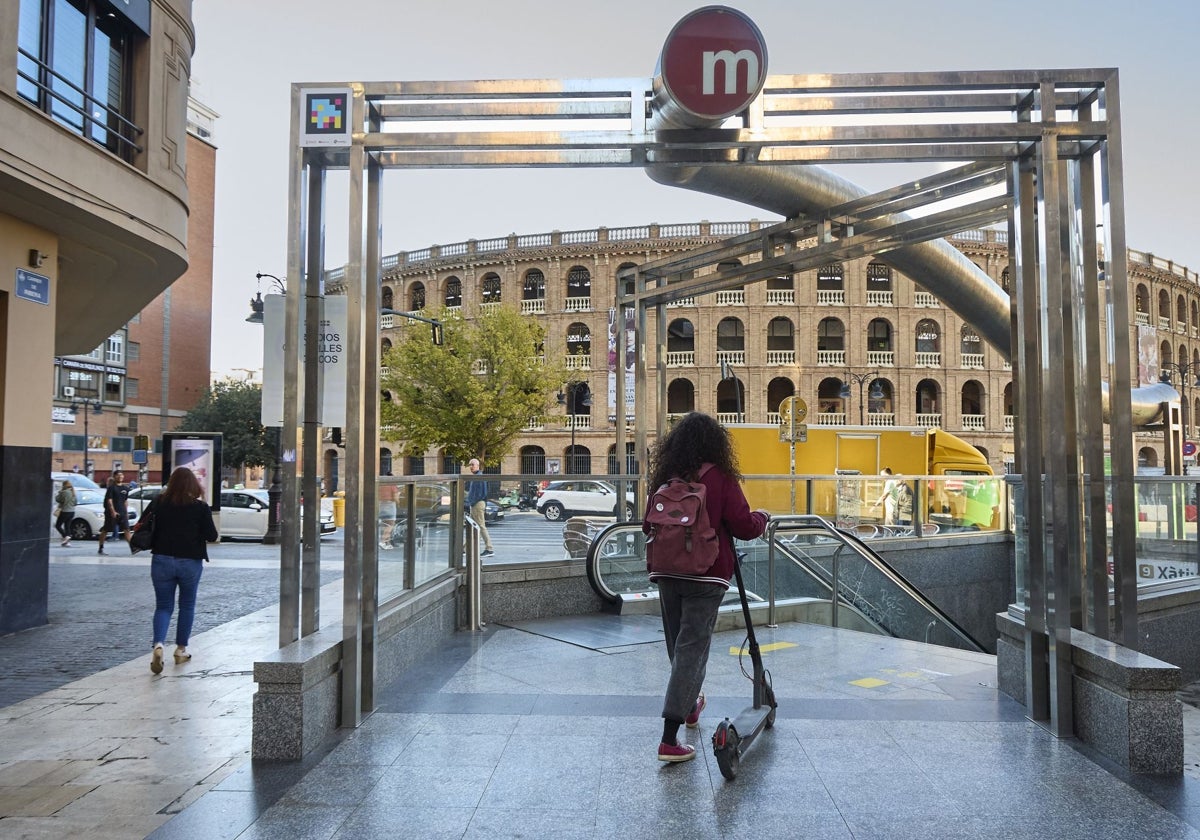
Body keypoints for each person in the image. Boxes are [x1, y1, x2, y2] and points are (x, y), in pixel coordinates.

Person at [642, 412, 768, 763]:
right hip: (707, 573)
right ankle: (669, 738)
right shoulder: (720, 476)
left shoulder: (667, 476)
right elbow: (744, 525)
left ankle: (692, 704)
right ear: (717, 442)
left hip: (666, 571)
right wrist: (764, 518)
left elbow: (645, 526)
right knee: (692, 649)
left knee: (678, 646)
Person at [144, 466, 218, 674]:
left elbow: (144, 525)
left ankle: (158, 644)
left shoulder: (159, 502)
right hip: (190, 562)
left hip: (162, 560)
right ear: (192, 485)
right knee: (187, 605)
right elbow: (212, 535)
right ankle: (180, 649)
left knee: (163, 606)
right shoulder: (200, 508)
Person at [465, 458, 495, 557]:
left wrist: (472, 501)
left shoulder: (479, 477)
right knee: (472, 527)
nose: (471, 467)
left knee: (481, 526)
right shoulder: (476, 477)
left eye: (472, 464)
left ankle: (489, 549)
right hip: (475, 504)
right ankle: (465, 549)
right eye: (470, 465)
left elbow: (481, 493)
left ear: (478, 465)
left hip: (477, 504)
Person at [101, 470, 131, 552]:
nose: (120, 476)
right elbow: (109, 500)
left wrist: (126, 512)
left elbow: (125, 501)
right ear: (114, 477)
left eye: (122, 475)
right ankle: (101, 547)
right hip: (112, 513)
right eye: (118, 475)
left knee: (127, 530)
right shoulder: (111, 488)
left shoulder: (125, 489)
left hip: (122, 513)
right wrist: (112, 511)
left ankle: (132, 547)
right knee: (105, 530)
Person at [54, 480, 76, 547]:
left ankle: (65, 536)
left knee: (58, 525)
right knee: (67, 526)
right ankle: (67, 542)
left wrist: (59, 493)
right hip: (72, 512)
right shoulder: (73, 492)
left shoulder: (63, 492)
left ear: (64, 485)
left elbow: (57, 499)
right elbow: (75, 502)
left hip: (65, 511)